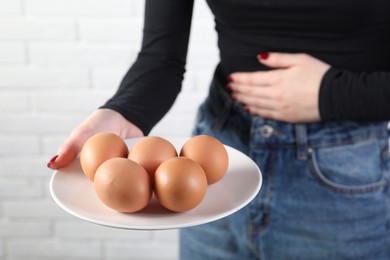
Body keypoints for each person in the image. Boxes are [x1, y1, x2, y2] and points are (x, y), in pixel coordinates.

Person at [47, 0, 390, 259]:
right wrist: (120, 113)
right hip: (219, 160)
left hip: (344, 175)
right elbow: (161, 58)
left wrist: (332, 94)